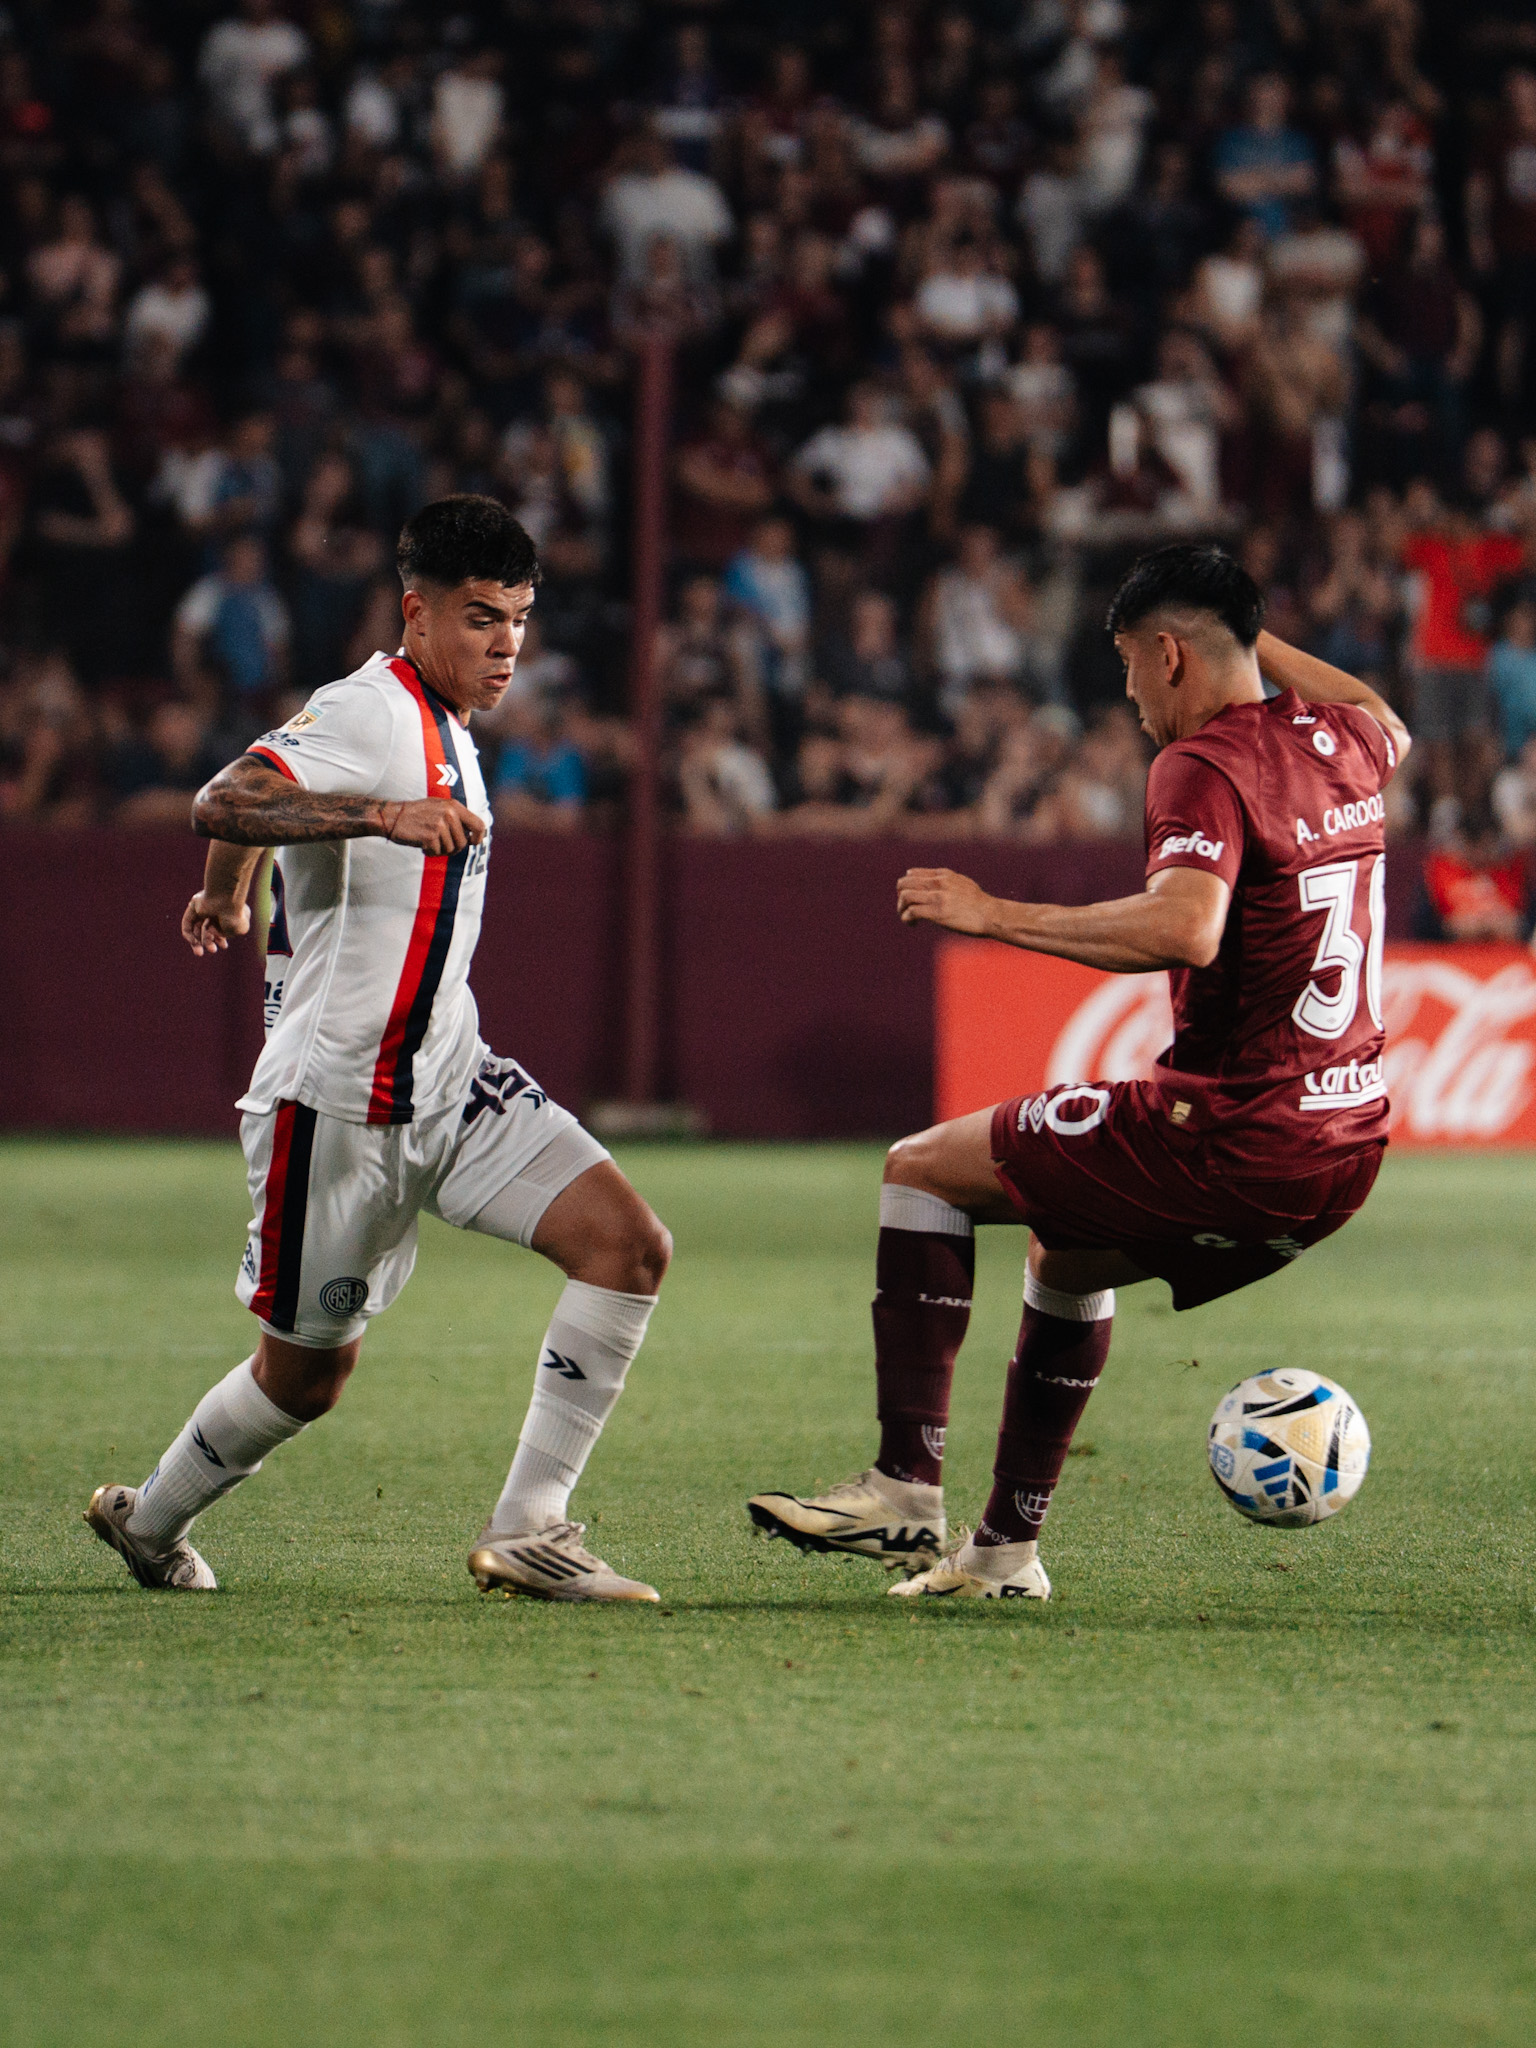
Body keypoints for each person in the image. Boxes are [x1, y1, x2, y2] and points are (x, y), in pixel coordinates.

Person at [749, 545, 1410, 1599]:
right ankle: (1003, 1553)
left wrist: (992, 912)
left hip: (1235, 1132)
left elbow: (1185, 927)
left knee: (920, 1169)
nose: (1133, 697)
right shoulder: (1346, 742)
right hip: (1348, 1146)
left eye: (1132, 664)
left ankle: (903, 1484)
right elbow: (1384, 711)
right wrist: (1241, 631)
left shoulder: (1201, 762)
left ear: (1169, 653)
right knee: (1066, 1256)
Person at [86, 497, 672, 1603]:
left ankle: (529, 1527)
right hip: (340, 1106)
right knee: (305, 1380)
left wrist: (227, 894)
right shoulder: (374, 712)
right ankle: (149, 1520)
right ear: (417, 613)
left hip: (450, 1076)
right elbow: (227, 796)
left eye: (519, 620)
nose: (507, 646)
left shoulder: (448, 726)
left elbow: (250, 810)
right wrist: (378, 817)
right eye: (482, 618)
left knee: (628, 1246)